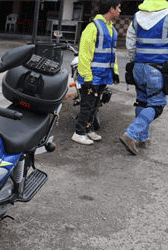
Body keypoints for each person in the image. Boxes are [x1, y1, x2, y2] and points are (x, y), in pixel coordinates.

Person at [120, 0, 168, 155]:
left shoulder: (137, 16)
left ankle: (143, 138)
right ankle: (131, 134)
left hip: (138, 66)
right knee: (157, 105)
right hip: (157, 69)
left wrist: (133, 61)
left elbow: (130, 42)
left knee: (142, 101)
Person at [72, 1, 121, 145]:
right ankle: (79, 132)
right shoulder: (92, 27)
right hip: (93, 75)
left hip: (103, 75)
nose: (120, 11)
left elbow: (113, 54)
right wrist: (87, 77)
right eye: (118, 8)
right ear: (111, 9)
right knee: (87, 105)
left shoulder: (111, 29)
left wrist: (115, 72)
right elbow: (85, 54)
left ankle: (88, 130)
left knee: (95, 104)